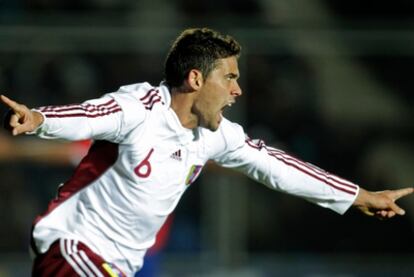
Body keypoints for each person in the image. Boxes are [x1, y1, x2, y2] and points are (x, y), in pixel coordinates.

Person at [1, 27, 413, 276]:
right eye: (230, 77)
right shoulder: (140, 108)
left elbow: (276, 165)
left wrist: (358, 195)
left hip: (119, 267)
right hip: (73, 249)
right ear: (196, 78)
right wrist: (39, 119)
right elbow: (91, 114)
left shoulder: (216, 135)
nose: (238, 90)